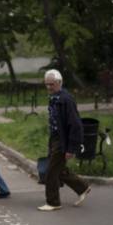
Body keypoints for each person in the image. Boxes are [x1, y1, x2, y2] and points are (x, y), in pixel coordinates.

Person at [38, 69, 91, 211]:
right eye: (47, 84)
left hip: (63, 141)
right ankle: (82, 187)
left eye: (52, 84)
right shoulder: (54, 97)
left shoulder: (66, 99)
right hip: (55, 138)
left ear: (59, 82)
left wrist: (71, 148)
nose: (49, 87)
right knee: (59, 169)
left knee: (51, 172)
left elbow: (75, 125)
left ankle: (53, 202)